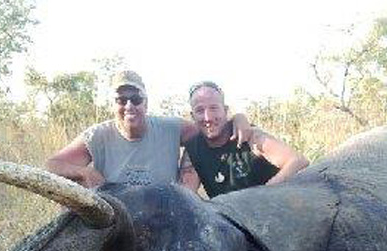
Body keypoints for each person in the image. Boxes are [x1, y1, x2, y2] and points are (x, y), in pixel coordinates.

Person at [45, 70, 252, 188]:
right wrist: (84, 172)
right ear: (113, 104)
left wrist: (238, 119)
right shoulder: (97, 136)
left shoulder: (172, 128)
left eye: (136, 99)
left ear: (146, 103)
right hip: (116, 224)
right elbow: (53, 164)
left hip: (164, 219)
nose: (129, 106)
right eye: (121, 100)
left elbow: (210, 128)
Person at [179, 81, 309, 198]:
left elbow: (298, 161)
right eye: (200, 110)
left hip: (272, 209)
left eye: (214, 108)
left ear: (225, 110)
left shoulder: (250, 136)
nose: (208, 118)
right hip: (228, 215)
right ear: (192, 116)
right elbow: (186, 195)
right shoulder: (193, 150)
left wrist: (262, 196)